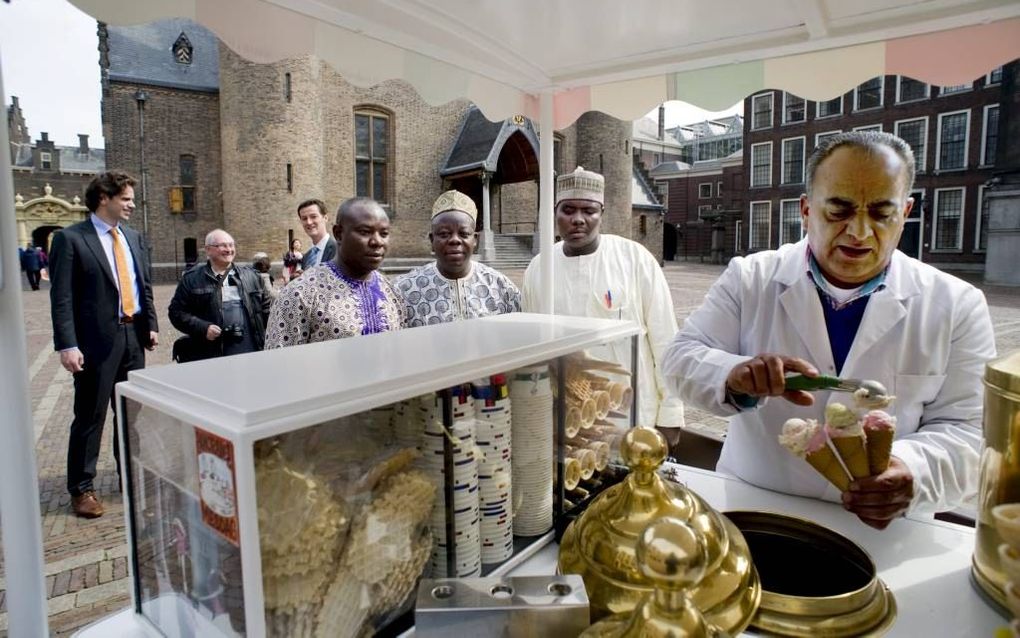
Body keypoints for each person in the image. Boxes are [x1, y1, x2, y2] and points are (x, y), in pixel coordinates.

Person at [663, 131, 996, 529]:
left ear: (905, 212)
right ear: (805, 209)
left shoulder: (957, 304)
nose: (858, 232)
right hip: (756, 506)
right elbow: (680, 357)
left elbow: (970, 429)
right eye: (838, 211)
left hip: (885, 526)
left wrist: (913, 469)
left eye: (880, 213)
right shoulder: (750, 278)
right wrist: (733, 375)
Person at [521, 166, 685, 439]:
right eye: (568, 210)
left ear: (602, 214)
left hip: (632, 417)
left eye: (588, 211)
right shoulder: (539, 268)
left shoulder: (635, 258)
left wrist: (670, 416)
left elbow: (666, 340)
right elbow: (531, 349)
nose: (578, 219)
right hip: (570, 420)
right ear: (555, 214)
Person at [49, 171, 159, 518]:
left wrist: (151, 324)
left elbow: (144, 283)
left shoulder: (134, 237)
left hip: (132, 338)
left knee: (129, 414)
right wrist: (68, 344)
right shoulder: (71, 239)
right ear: (103, 198)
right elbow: (62, 297)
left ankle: (130, 475)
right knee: (90, 415)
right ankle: (81, 488)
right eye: (125, 198)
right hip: (96, 343)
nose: (131, 204)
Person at [265, 197, 403, 347]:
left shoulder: (392, 292)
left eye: (384, 234)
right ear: (338, 234)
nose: (377, 242)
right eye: (365, 232)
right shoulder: (299, 294)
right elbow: (280, 363)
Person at [395, 190, 520, 326]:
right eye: (444, 234)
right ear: (432, 240)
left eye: (464, 233)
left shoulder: (502, 288)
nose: (455, 240)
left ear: (475, 240)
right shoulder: (404, 290)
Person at [168, 230, 271, 362]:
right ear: (208, 250)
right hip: (210, 354)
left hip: (250, 350)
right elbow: (176, 312)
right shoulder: (191, 279)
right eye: (222, 245)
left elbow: (267, 312)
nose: (229, 250)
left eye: (231, 245)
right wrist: (203, 328)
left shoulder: (252, 276)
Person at [297, 199, 336, 270]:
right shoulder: (306, 257)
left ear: (325, 218)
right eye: (304, 218)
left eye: (313, 216)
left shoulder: (339, 250)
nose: (309, 222)